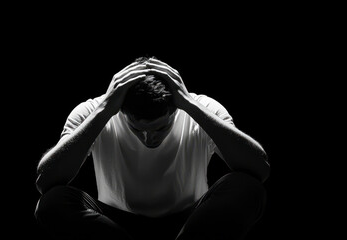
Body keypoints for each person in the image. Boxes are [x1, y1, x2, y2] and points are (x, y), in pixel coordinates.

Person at [34, 56, 270, 240]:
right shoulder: (95, 111)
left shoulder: (201, 108)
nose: (148, 139)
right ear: (122, 111)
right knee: (53, 203)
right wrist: (105, 109)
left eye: (159, 129)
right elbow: (45, 181)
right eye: (137, 129)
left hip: (190, 227)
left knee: (247, 188)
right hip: (116, 229)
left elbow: (260, 169)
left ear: (175, 109)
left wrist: (188, 104)